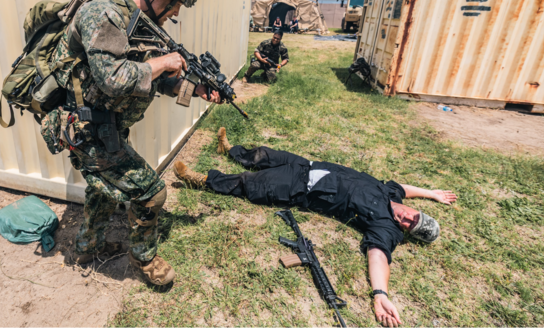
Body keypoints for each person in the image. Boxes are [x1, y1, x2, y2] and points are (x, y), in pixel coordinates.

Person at [38, 0, 223, 286]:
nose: (176, 13)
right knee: (152, 192)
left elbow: (152, 80)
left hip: (104, 129)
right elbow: (113, 79)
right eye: (174, 3)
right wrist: (163, 62)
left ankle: (85, 246)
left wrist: (193, 89)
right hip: (84, 131)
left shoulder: (141, 26)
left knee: (104, 190)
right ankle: (145, 260)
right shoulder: (105, 14)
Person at [174, 128, 452, 328]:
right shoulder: (393, 194)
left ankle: (203, 181)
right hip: (307, 166)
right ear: (417, 210)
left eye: (409, 226)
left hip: (302, 189)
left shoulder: (385, 227)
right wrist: (432, 192)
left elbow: (379, 255)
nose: (405, 219)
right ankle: (230, 150)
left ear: (404, 232)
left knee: (251, 184)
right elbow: (404, 187)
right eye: (413, 217)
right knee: (264, 155)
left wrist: (380, 293)